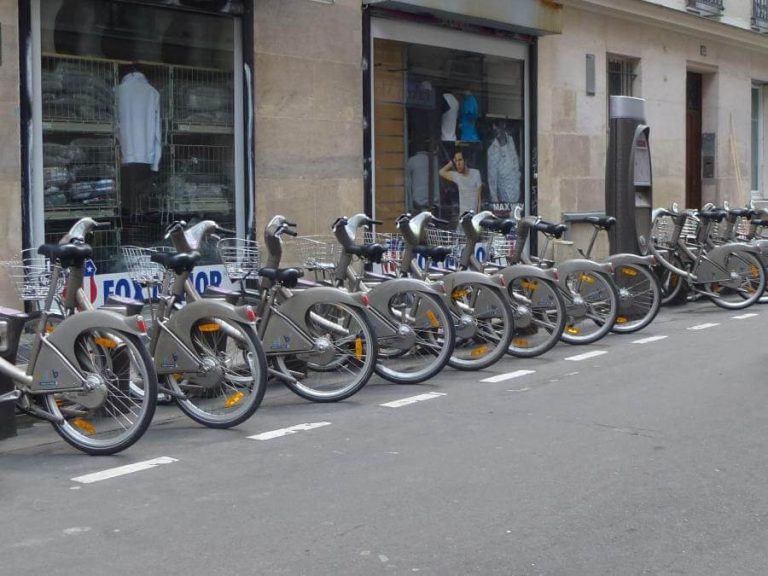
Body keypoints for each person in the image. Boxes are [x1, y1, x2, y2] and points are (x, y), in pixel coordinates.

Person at [439, 151, 482, 219]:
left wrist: (478, 217)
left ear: (465, 161)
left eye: (460, 160)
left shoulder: (476, 173)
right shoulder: (457, 176)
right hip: (462, 217)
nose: (458, 164)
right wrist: (452, 162)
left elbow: (479, 198)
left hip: (474, 217)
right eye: (456, 161)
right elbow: (441, 172)